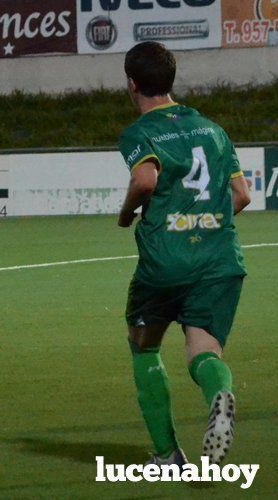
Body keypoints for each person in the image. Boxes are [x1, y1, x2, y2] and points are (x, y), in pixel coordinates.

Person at [117, 42, 251, 466]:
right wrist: (205, 219)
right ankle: (220, 396)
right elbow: (242, 195)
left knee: (144, 345)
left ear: (132, 84)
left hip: (166, 263)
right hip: (219, 260)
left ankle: (167, 453)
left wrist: (125, 215)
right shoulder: (212, 129)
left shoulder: (141, 132)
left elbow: (145, 181)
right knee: (203, 354)